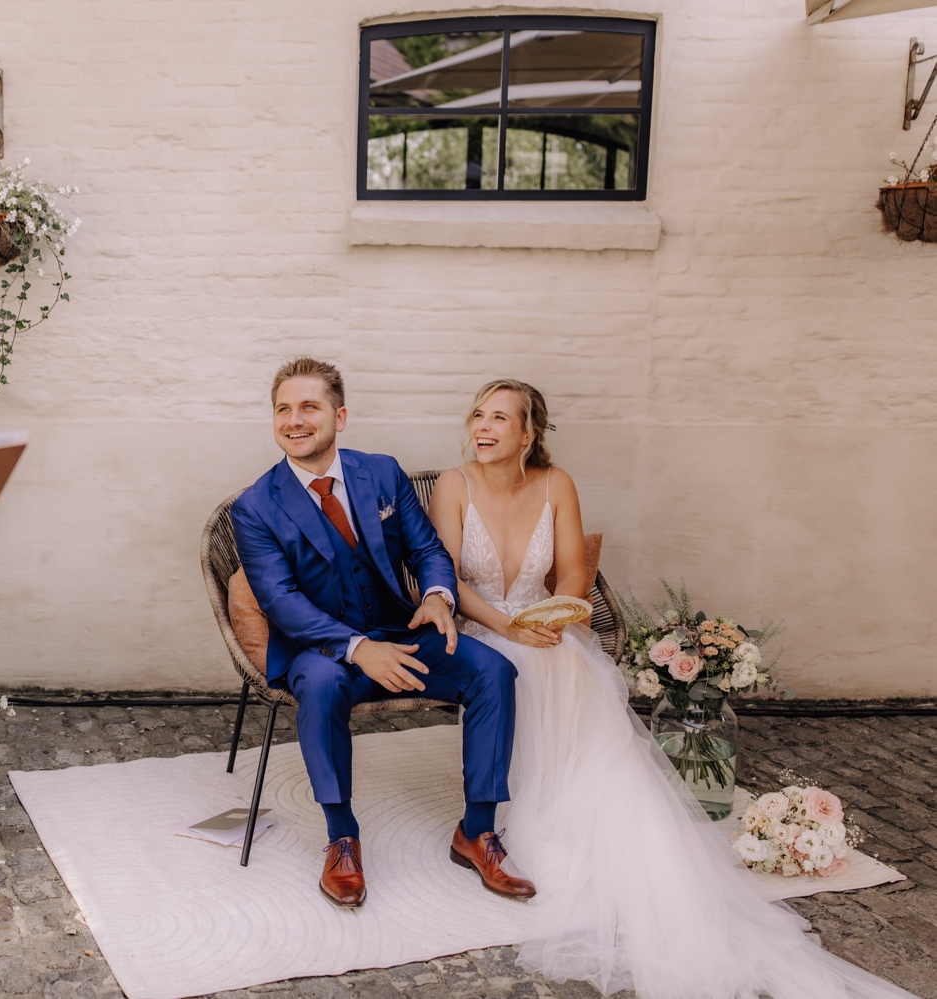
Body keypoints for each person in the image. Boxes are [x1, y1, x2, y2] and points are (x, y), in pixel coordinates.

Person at [427, 378, 918, 999]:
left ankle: (573, 809)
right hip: (482, 629)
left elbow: (576, 572)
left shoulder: (557, 484)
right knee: (512, 666)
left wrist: (551, 618)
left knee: (574, 669)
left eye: (501, 417)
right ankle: (501, 811)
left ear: (529, 433)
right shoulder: (453, 483)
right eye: (478, 414)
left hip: (543, 623)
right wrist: (508, 627)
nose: (484, 426)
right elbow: (443, 573)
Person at [230, 357, 532, 908]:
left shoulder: (382, 473)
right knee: (320, 687)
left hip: (400, 631)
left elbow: (426, 549)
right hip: (320, 650)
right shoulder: (255, 507)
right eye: (283, 409)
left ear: (339, 417)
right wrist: (357, 648)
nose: (294, 421)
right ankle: (342, 837)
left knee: (493, 670)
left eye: (309, 407)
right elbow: (281, 601)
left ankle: (478, 831)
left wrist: (439, 595)